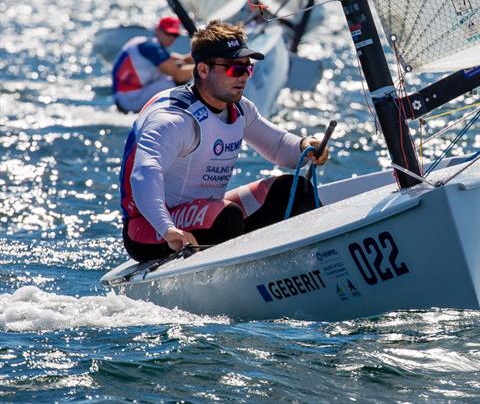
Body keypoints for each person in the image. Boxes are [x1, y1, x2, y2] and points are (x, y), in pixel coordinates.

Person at [119, 20, 330, 262]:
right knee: (227, 216)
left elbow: (278, 146)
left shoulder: (240, 108)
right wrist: (166, 228)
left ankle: (317, 264)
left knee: (294, 189)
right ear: (203, 70)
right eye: (234, 69)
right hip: (149, 227)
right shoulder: (174, 119)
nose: (243, 77)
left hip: (208, 212)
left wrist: (305, 146)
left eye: (247, 68)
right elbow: (145, 174)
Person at [112, 16, 194, 113]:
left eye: (175, 35)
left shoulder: (146, 43)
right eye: (168, 33)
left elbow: (176, 59)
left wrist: (191, 59)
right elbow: (179, 75)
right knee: (177, 82)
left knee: (178, 69)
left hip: (125, 97)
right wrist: (206, 67)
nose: (172, 38)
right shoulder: (152, 48)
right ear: (157, 30)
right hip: (128, 100)